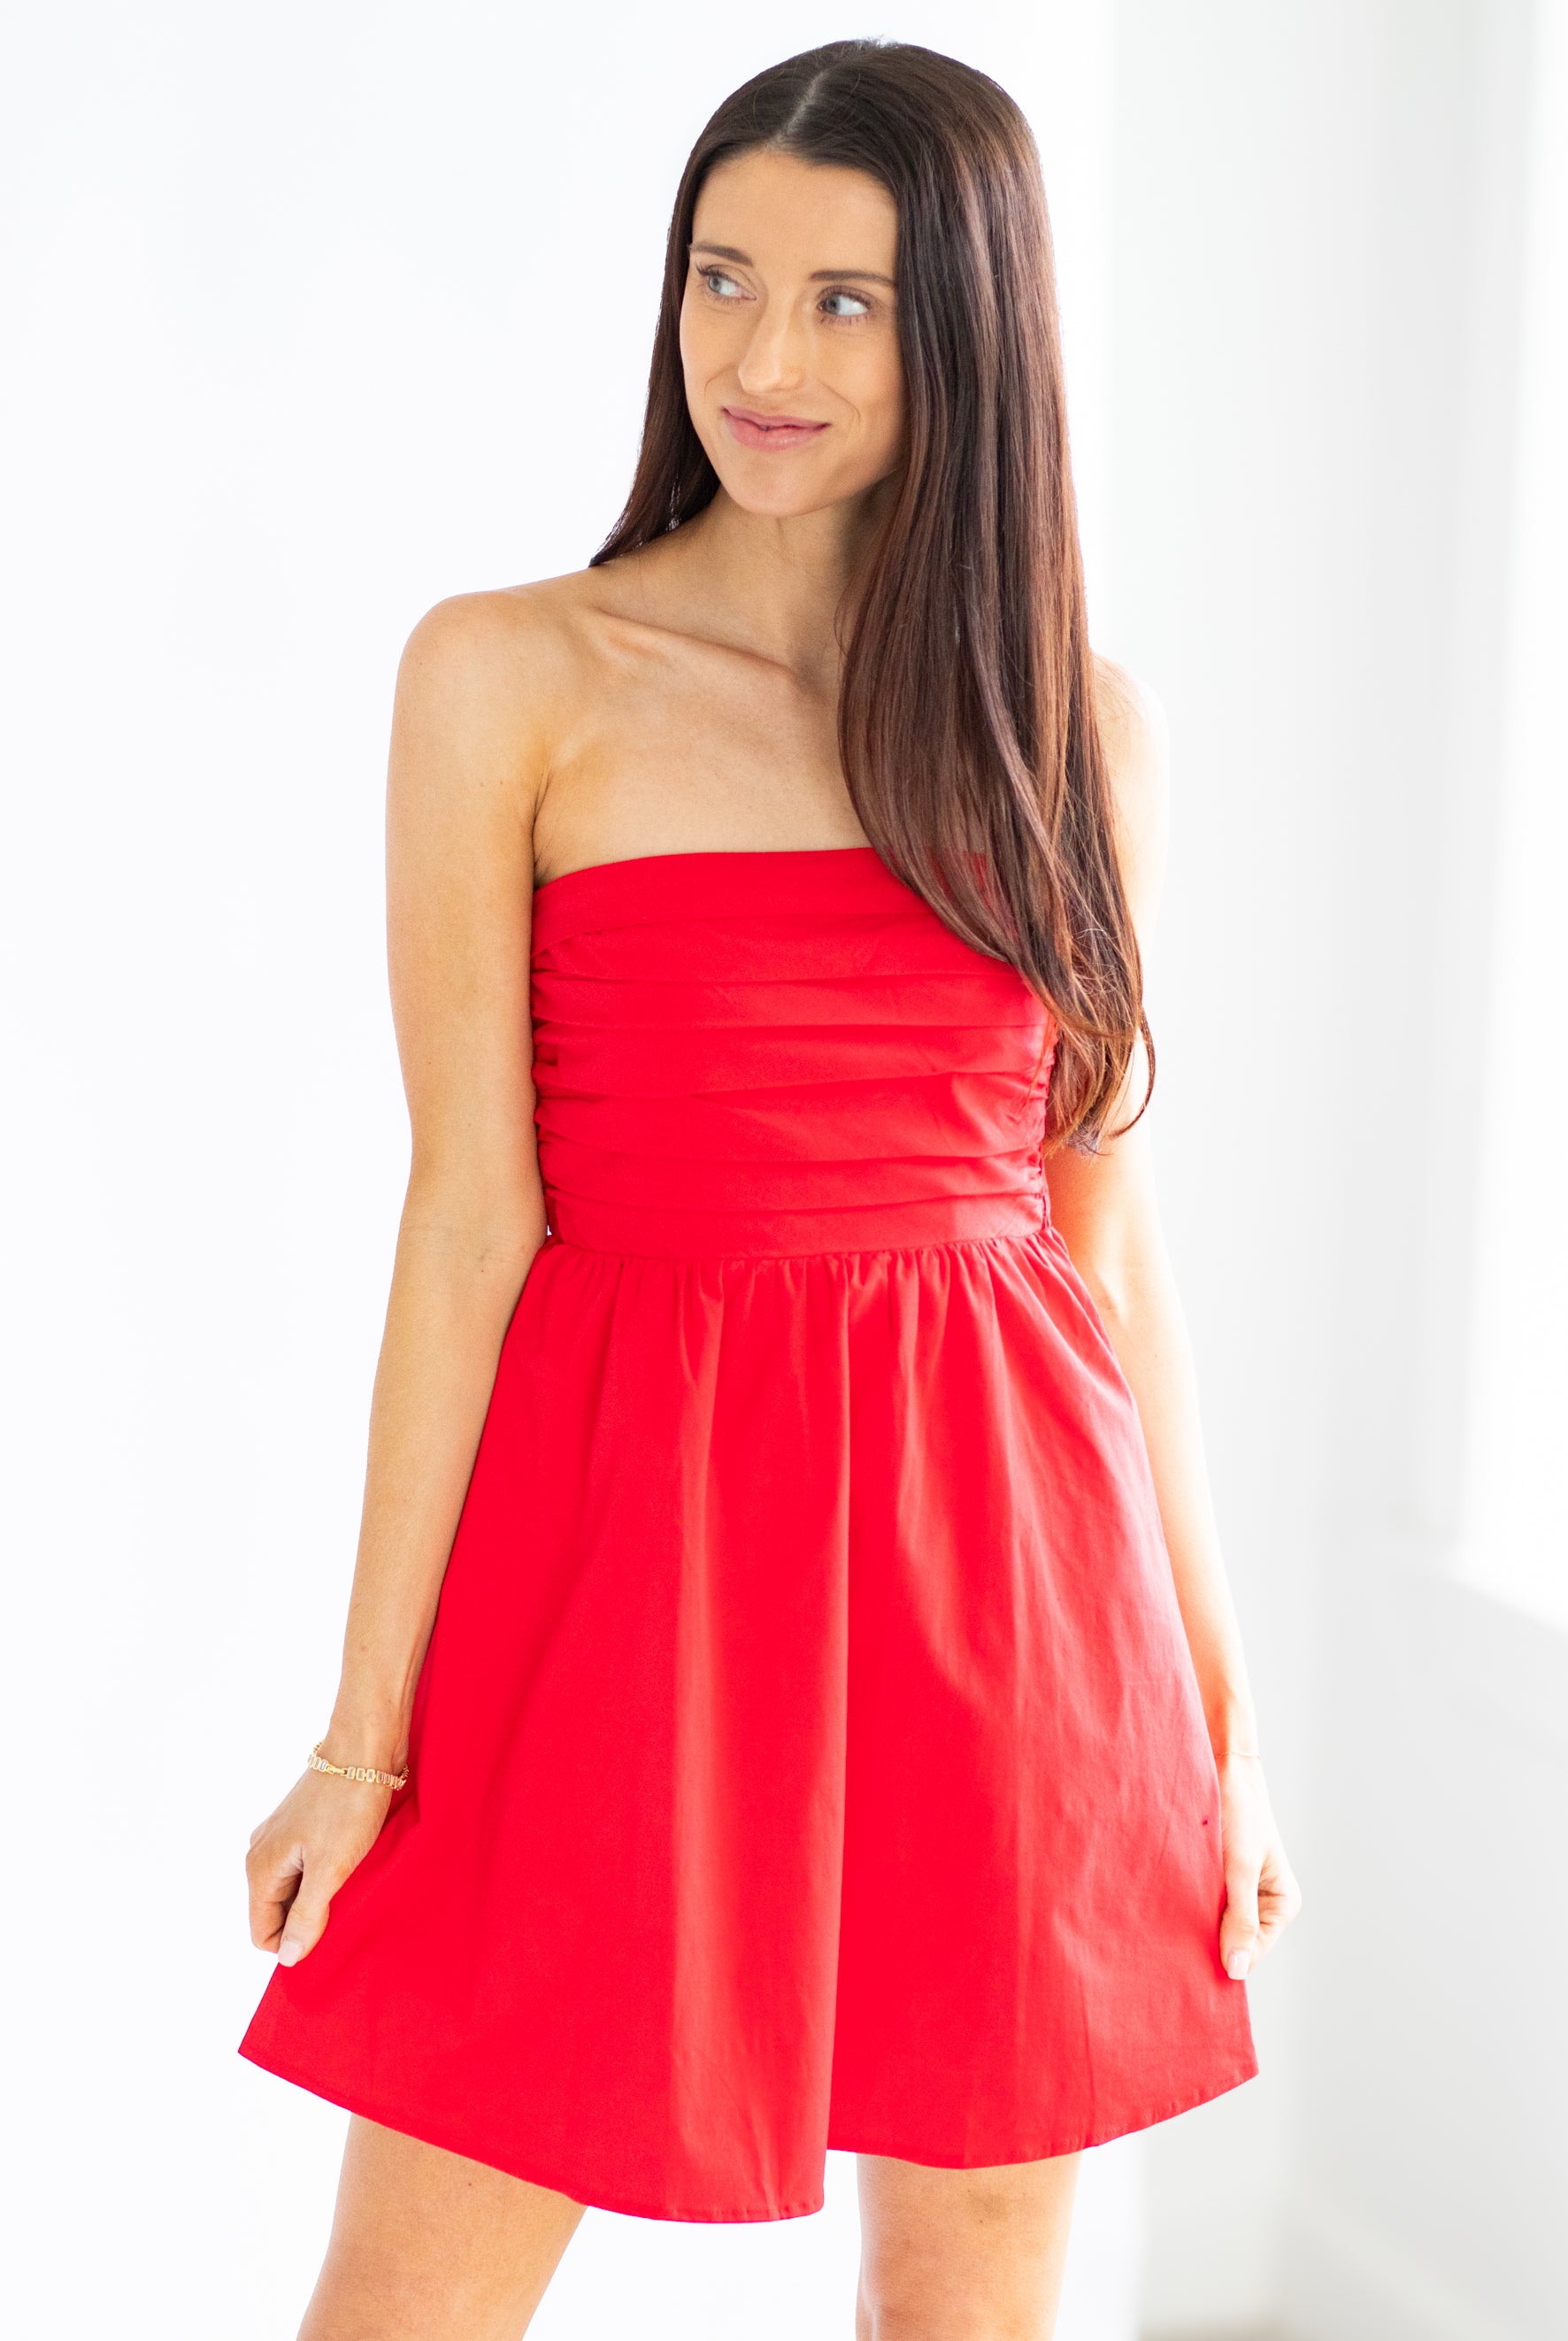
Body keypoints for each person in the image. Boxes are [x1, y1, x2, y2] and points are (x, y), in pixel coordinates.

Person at [242, 38, 1301, 2341]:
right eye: (725, 279)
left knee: (976, 2279)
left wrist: (1217, 1725)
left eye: (847, 302)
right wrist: (364, 1737)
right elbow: (463, 1227)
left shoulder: (1072, 728)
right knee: (411, 2284)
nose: (757, 356)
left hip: (1004, 1581)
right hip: (620, 1555)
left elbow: (1107, 1259)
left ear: (973, 337)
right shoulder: (516, 673)